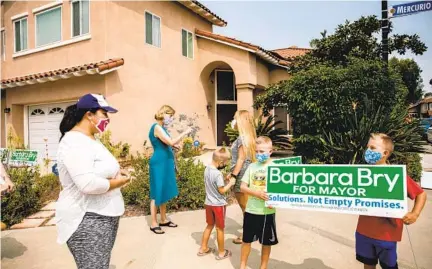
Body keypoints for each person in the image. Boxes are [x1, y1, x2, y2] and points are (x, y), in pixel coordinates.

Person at [55, 93, 131, 269]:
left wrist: (118, 171)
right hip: (87, 218)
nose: (107, 119)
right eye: (104, 113)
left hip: (102, 216)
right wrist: (120, 182)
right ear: (89, 114)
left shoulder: (90, 139)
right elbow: (88, 184)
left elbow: (97, 168)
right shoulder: (74, 142)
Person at [356, 133, 427, 269]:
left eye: (372, 147)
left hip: (386, 236)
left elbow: (421, 194)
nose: (368, 151)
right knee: (368, 264)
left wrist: (415, 214)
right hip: (363, 232)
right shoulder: (361, 173)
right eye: (367, 147)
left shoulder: (396, 175)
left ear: (385, 153)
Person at [148, 105, 192, 234]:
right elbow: (170, 142)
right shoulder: (156, 127)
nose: (171, 118)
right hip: (159, 163)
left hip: (166, 162)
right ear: (164, 114)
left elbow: (167, 144)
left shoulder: (161, 128)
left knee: (164, 190)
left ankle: (163, 219)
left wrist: (175, 147)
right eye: (170, 115)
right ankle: (154, 223)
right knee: (156, 192)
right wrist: (184, 133)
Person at [239, 136, 278, 269]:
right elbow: (242, 187)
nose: (259, 154)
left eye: (262, 151)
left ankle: (263, 267)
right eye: (257, 151)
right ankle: (242, 265)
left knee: (266, 243)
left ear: (270, 151)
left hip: (268, 211)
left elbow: (282, 191)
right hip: (251, 210)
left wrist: (277, 201)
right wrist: (257, 193)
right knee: (246, 240)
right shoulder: (252, 166)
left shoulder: (276, 168)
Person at [197, 147, 235, 260]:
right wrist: (231, 183)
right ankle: (222, 252)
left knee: (209, 225)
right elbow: (222, 190)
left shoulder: (207, 169)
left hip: (208, 203)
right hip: (218, 205)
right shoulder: (217, 174)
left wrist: (224, 178)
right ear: (221, 162)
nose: (226, 165)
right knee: (220, 228)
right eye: (226, 162)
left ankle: (203, 248)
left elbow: (213, 182)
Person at [228, 110, 257, 244]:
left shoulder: (242, 139)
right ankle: (253, 231)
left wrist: (233, 175)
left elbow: (240, 159)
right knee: (249, 205)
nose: (233, 121)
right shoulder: (251, 137)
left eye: (235, 118)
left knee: (245, 206)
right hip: (249, 173)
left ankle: (248, 234)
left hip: (242, 175)